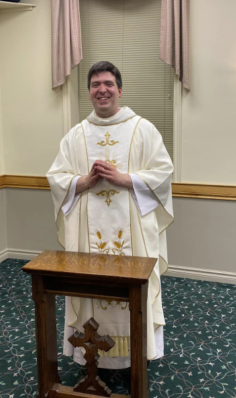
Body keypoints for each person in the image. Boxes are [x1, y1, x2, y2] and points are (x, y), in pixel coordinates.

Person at [46, 61, 174, 369]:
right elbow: (55, 176)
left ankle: (134, 353)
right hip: (86, 234)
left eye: (107, 84)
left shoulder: (143, 129)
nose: (101, 90)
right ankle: (90, 354)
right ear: (89, 93)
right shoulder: (75, 136)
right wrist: (84, 182)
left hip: (133, 230)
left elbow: (164, 172)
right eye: (94, 85)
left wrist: (124, 179)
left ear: (119, 89)